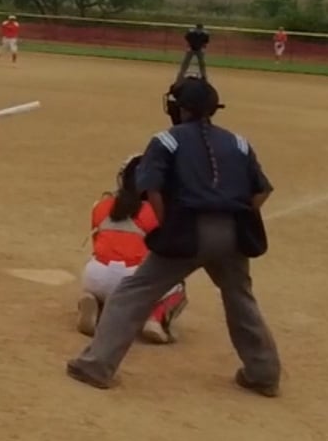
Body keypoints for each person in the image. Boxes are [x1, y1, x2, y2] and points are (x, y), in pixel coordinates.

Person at [66, 76, 281, 395]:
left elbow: (152, 188)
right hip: (233, 233)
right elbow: (262, 190)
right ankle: (264, 373)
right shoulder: (238, 142)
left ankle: (96, 365)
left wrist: (168, 225)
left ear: (179, 108)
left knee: (133, 293)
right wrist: (242, 218)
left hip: (188, 231)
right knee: (240, 299)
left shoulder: (166, 140)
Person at [80, 156, 189, 345]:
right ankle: (155, 319)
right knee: (177, 283)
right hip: (131, 280)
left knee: (101, 263)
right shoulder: (156, 211)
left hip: (95, 276)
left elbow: (97, 243)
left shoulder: (101, 206)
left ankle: (95, 301)